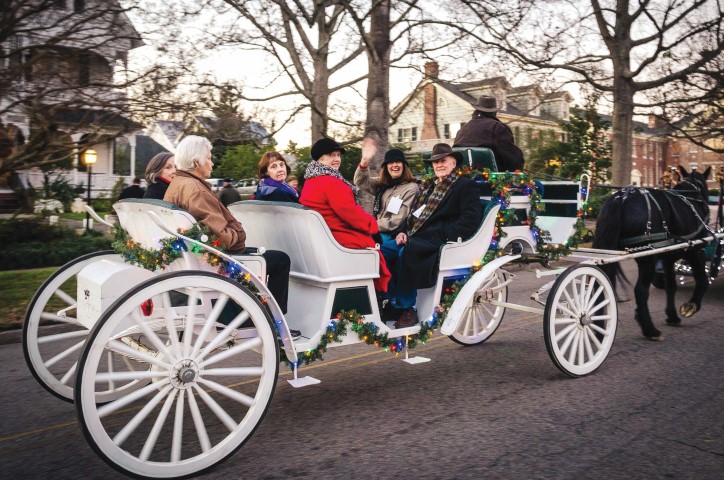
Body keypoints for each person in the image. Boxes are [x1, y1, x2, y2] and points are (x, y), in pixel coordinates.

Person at [164, 135, 291, 313]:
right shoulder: (195, 189)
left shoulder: (177, 184)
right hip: (217, 261)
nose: (212, 163)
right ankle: (276, 322)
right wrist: (239, 233)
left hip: (193, 258)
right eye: (208, 158)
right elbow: (223, 238)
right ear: (196, 162)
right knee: (280, 259)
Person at [386, 143, 484, 327]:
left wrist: (443, 233)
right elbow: (414, 215)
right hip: (415, 235)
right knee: (382, 252)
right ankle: (392, 299)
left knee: (404, 254)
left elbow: (470, 220)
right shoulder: (428, 186)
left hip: (437, 239)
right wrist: (402, 232)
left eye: (443, 161)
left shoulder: (464, 185)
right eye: (435, 162)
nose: (438, 165)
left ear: (453, 163)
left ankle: (409, 309)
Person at [300, 137, 391, 292]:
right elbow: (351, 214)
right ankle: (379, 296)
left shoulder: (310, 181)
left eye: (338, 155)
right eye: (331, 155)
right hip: (338, 239)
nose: (337, 159)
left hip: (324, 237)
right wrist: (373, 226)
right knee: (384, 250)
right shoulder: (331, 182)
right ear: (320, 158)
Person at [453, 96, 525, 172]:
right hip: (493, 178)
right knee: (537, 183)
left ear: (477, 110)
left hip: (464, 176)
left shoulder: (462, 130)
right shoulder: (498, 127)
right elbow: (512, 158)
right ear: (494, 112)